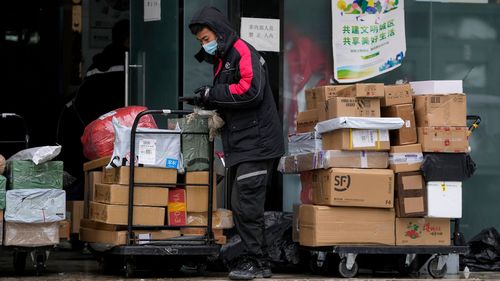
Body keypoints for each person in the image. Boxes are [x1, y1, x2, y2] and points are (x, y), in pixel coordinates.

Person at [189, 6, 284, 280]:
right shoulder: (224, 56)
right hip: (244, 142)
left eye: (206, 39)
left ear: (218, 32)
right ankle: (254, 259)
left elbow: (251, 91)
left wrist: (212, 93)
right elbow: (233, 96)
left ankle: (257, 261)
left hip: (257, 142)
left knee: (246, 203)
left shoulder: (242, 51)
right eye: (200, 42)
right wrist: (208, 101)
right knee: (242, 202)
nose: (204, 45)